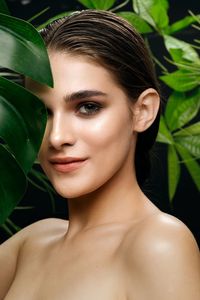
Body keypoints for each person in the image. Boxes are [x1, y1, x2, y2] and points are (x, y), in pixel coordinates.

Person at [0, 9, 199, 300]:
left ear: (142, 111)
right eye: (42, 112)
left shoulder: (158, 244)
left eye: (88, 107)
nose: (57, 137)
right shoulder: (31, 244)